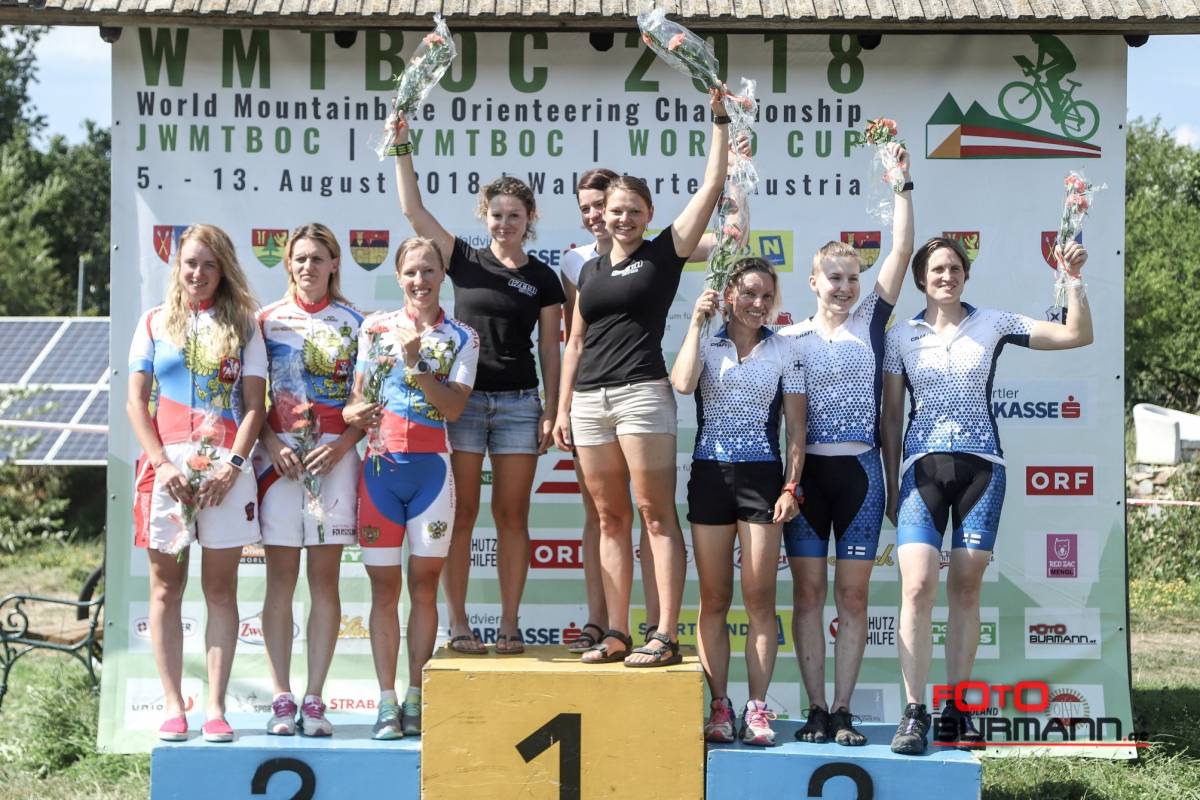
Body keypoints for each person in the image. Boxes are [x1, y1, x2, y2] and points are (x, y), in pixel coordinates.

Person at [881, 236, 1092, 754]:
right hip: (919, 470)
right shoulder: (900, 337)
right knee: (916, 588)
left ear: (966, 276)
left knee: (967, 590)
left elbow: (1076, 334)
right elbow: (890, 416)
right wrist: (890, 480)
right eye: (936, 269)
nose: (946, 276)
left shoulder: (993, 322)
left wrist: (1074, 280)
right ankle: (914, 712)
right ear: (920, 279)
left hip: (983, 469)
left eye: (954, 268)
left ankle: (957, 708)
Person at [553, 89, 730, 667]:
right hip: (588, 401)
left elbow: (709, 191)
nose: (621, 218)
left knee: (655, 513)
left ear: (648, 215)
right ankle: (616, 633)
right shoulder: (588, 267)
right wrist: (560, 409)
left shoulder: (665, 253)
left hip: (642, 396)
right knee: (609, 518)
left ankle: (663, 632)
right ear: (599, 214)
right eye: (613, 211)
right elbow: (575, 339)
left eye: (633, 210)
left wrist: (720, 124)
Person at [392, 117, 563, 656]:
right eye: (496, 215)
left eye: (515, 215)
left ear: (530, 219)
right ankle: (460, 625)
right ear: (483, 217)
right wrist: (401, 148)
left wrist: (551, 410)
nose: (504, 223)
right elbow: (413, 211)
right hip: (460, 404)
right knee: (461, 515)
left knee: (512, 518)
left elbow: (552, 348)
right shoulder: (461, 258)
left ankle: (510, 625)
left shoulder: (544, 277)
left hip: (518, 404)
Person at [778, 144, 913, 746]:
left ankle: (843, 710)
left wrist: (901, 181)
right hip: (807, 483)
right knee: (807, 595)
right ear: (812, 281)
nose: (845, 287)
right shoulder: (791, 338)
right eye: (834, 277)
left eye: (853, 278)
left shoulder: (872, 324)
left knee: (852, 597)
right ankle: (812, 708)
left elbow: (903, 250)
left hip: (861, 474)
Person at [127, 224, 267, 743]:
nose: (198, 273)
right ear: (176, 267)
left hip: (225, 471)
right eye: (190, 263)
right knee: (166, 589)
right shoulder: (153, 322)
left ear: (224, 268)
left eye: (209, 264)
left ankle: (214, 707)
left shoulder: (246, 326)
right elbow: (135, 403)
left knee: (220, 590)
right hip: (166, 470)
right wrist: (162, 464)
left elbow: (256, 408)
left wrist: (232, 466)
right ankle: (172, 705)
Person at [343, 237, 478, 740]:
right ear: (398, 277)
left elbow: (454, 409)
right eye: (411, 272)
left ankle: (417, 695)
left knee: (423, 589)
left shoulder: (463, 336)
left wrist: (419, 365)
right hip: (380, 472)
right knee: (384, 591)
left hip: (431, 475)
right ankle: (385, 701)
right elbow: (356, 402)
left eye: (429, 271)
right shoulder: (373, 329)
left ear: (443, 275)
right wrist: (353, 413)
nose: (420, 281)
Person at [671, 259, 805, 746]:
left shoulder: (784, 350)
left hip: (762, 478)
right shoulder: (706, 342)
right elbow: (683, 384)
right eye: (749, 293)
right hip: (709, 474)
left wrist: (792, 486)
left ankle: (758, 709)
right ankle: (720, 707)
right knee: (714, 599)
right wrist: (694, 322)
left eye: (767, 296)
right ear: (730, 293)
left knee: (759, 601)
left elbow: (796, 429)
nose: (758, 304)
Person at [254, 224, 364, 736]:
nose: (308, 267)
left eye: (318, 258)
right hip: (278, 469)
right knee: (280, 580)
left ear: (335, 264)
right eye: (299, 259)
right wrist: (271, 446)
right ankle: (281, 697)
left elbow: (369, 403)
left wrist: (342, 445)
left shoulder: (357, 324)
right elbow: (246, 402)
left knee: (324, 581)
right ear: (288, 265)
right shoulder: (264, 322)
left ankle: (315, 697)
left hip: (333, 464)